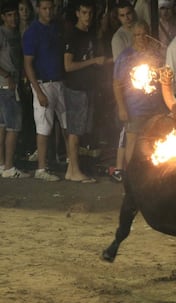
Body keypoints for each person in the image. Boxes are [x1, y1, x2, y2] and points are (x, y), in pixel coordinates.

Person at [23, 0, 67, 181]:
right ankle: (41, 168)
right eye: (45, 9)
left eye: (51, 8)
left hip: (59, 81)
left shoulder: (56, 28)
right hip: (43, 83)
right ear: (38, 9)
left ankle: (68, 160)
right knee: (44, 127)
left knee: (66, 123)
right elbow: (28, 64)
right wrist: (38, 91)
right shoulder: (32, 32)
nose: (48, 12)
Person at [113, 20, 168, 165]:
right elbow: (117, 84)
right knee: (131, 140)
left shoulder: (156, 55)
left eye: (144, 35)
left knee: (155, 138)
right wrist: (122, 107)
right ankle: (131, 174)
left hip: (155, 106)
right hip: (135, 108)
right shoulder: (125, 57)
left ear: (149, 35)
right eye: (137, 35)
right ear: (133, 36)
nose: (141, 38)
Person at [63, 0, 106, 183]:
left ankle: (71, 169)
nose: (87, 16)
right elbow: (68, 66)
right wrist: (93, 61)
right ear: (78, 14)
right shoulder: (73, 35)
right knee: (75, 131)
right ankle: (74, 171)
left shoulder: (89, 34)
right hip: (76, 89)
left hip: (87, 87)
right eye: (84, 12)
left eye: (90, 13)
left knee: (79, 130)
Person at [0, 1, 30, 178]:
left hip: (10, 83)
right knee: (13, 127)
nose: (14, 18)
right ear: (3, 17)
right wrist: (7, 76)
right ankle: (9, 167)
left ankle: (3, 164)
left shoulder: (15, 34)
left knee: (3, 126)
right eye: (9, 15)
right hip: (7, 86)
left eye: (14, 14)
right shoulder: (2, 33)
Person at [110, 0, 136, 182]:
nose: (126, 18)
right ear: (118, 18)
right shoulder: (118, 38)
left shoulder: (138, 29)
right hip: (127, 88)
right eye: (122, 15)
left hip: (140, 90)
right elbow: (121, 69)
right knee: (125, 131)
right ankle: (119, 168)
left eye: (128, 14)